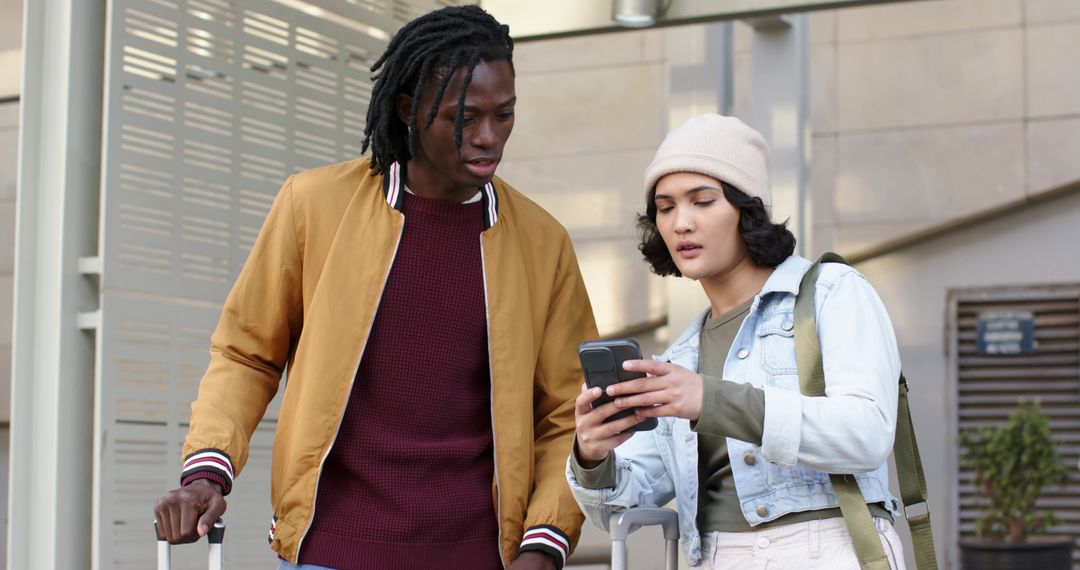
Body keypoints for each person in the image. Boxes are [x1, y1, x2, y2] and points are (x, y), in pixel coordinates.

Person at [153, 6, 597, 570]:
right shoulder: (313, 205)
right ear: (409, 109)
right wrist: (205, 474)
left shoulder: (543, 242)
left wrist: (544, 543)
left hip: (478, 557)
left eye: (503, 115)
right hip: (330, 550)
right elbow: (246, 352)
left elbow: (568, 411)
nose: (489, 137)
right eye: (465, 118)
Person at [566, 114, 907, 569]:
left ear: (747, 209)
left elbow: (867, 433)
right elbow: (623, 507)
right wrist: (592, 453)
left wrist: (713, 399)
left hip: (828, 548)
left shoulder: (831, 291)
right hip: (716, 556)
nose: (680, 223)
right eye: (665, 208)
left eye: (702, 201)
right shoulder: (679, 359)